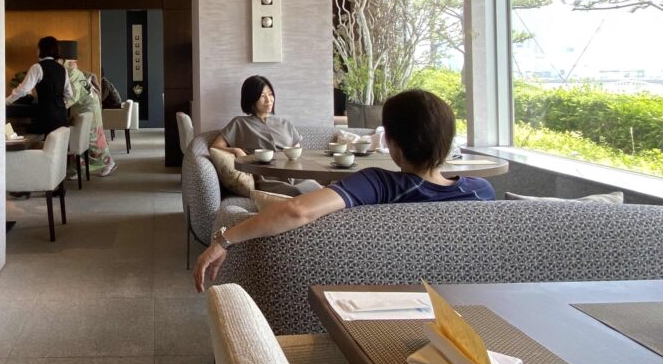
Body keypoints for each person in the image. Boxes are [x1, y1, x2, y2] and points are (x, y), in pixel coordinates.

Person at [194, 89, 495, 293]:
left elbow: (297, 210)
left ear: (391, 143)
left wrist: (224, 239)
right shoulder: (481, 192)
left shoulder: (379, 184)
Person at [212, 75, 323, 197]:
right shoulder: (239, 123)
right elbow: (215, 146)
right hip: (267, 179)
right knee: (295, 192)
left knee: (322, 191)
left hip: (294, 175)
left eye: (270, 94)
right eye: (262, 96)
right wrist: (236, 150)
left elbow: (297, 152)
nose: (269, 100)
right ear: (251, 99)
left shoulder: (285, 123)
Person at [5, 36, 73, 135]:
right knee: (58, 142)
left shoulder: (37, 67)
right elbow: (69, 94)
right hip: (61, 115)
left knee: (20, 131)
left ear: (41, 49)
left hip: (46, 115)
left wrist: (7, 101)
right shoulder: (62, 69)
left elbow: (23, 90)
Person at [63, 59, 117, 177]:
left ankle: (109, 162)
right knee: (81, 138)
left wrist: (61, 106)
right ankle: (79, 168)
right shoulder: (76, 73)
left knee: (93, 138)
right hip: (87, 106)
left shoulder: (72, 75)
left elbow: (73, 97)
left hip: (88, 108)